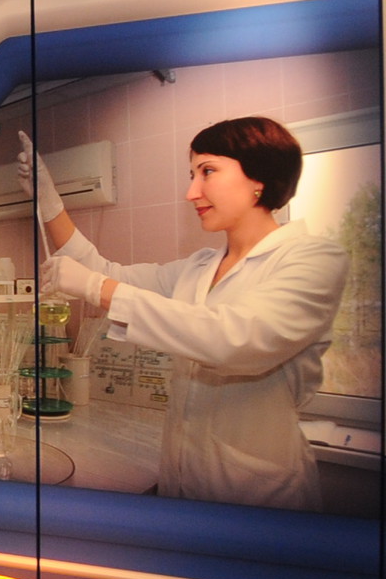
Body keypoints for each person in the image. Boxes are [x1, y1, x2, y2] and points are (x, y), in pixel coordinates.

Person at [24, 118, 348, 510]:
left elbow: (236, 341)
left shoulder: (314, 259)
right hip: (183, 477)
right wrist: (50, 204)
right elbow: (104, 272)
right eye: (192, 175)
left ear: (258, 178)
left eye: (207, 171)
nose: (191, 192)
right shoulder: (198, 268)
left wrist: (96, 287)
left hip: (260, 493)